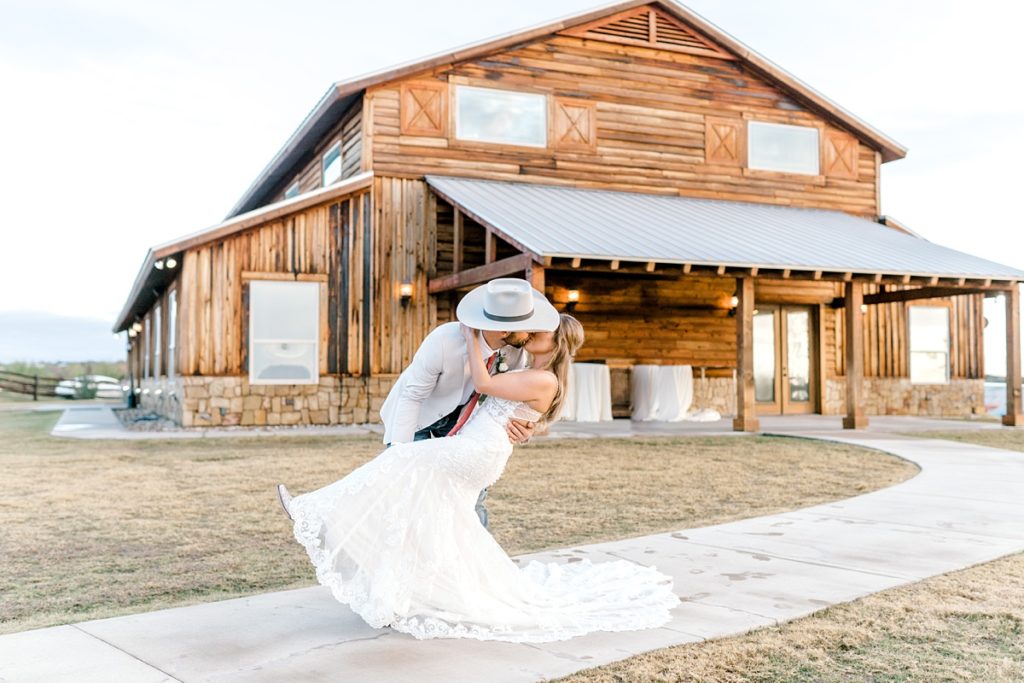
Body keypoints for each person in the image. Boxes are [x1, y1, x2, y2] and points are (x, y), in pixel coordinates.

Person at [275, 309, 680, 642]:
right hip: (474, 443)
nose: (531, 331)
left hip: (476, 451)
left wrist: (473, 335)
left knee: (401, 463)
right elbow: (499, 399)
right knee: (436, 516)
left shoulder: (543, 376)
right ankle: (411, 590)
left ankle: (316, 513)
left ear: (555, 343)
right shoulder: (524, 362)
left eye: (541, 330)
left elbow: (486, 383)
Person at [376, 278, 560, 528]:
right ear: (505, 330)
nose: (532, 334)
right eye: (527, 327)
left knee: (470, 499)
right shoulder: (444, 340)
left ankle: (470, 561)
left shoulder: (516, 351)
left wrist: (527, 427)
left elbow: (512, 398)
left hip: (469, 430)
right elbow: (412, 396)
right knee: (414, 496)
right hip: (419, 418)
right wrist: (398, 450)